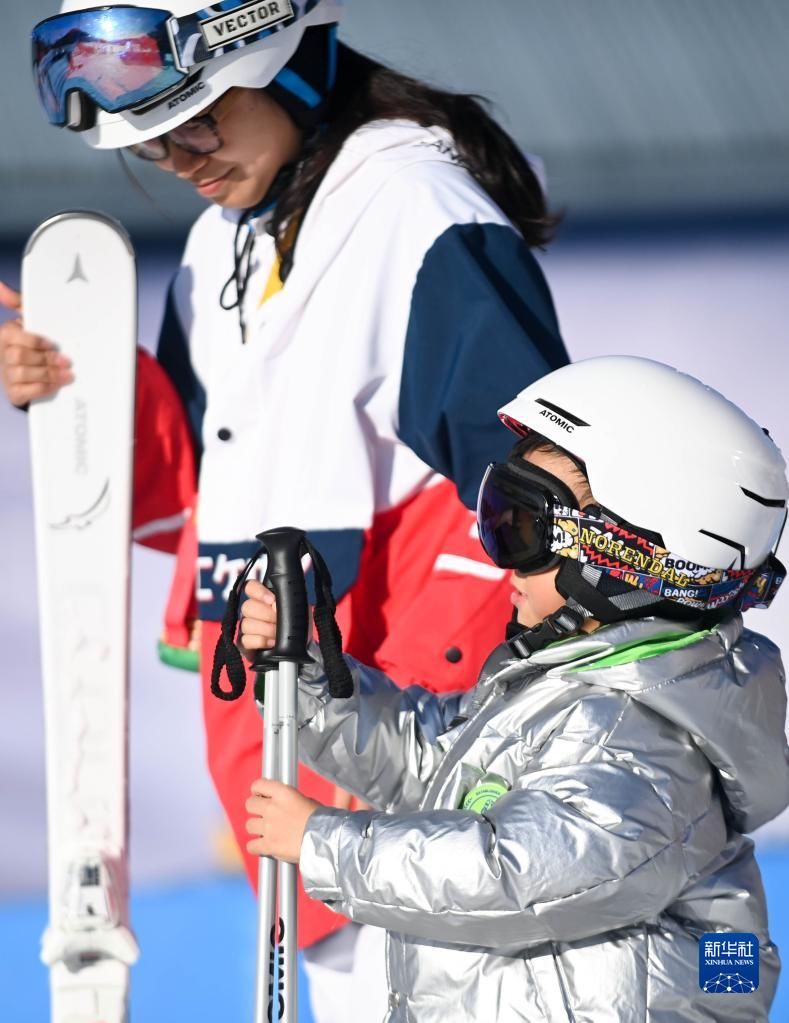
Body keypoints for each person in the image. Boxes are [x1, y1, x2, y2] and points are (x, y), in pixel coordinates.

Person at [1, 1, 569, 1016]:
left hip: (411, 784)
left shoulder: (414, 211)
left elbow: (537, 499)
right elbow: (192, 498)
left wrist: (450, 750)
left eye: (196, 119)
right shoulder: (228, 242)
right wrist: (78, 384)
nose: (175, 155)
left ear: (278, 56)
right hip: (294, 765)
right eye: (150, 139)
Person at [239, 355, 789, 1022]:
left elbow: (520, 874)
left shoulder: (644, 740)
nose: (495, 552)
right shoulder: (573, 690)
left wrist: (324, 843)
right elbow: (431, 761)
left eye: (522, 528)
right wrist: (302, 677)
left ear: (628, 558)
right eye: (496, 513)